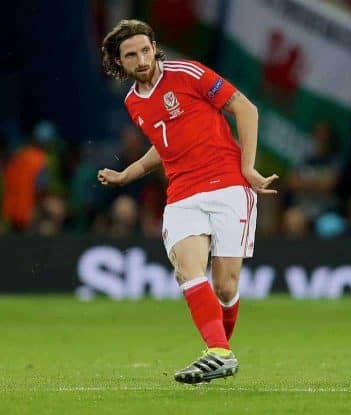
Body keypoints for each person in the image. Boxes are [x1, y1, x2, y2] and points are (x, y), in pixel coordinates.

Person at [97, 20, 278, 384]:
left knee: (225, 287)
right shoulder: (133, 101)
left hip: (228, 184)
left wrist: (249, 167)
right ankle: (220, 352)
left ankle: (219, 350)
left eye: (145, 50)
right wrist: (126, 174)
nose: (141, 59)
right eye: (131, 55)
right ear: (119, 62)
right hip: (182, 194)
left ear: (154, 47)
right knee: (188, 270)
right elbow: (164, 146)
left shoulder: (188, 73)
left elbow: (246, 109)